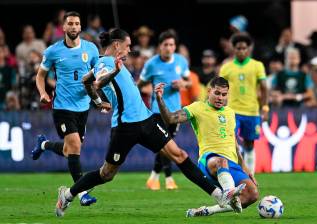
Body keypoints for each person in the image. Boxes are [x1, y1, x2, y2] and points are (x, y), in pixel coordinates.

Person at [55, 28, 244, 217]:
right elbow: (99, 82)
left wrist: (96, 100)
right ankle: (68, 194)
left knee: (179, 155)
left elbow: (87, 81)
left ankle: (219, 195)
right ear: (116, 45)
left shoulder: (117, 63)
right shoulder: (105, 62)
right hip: (125, 127)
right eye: (128, 45)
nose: (129, 50)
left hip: (147, 120)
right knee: (106, 174)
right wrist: (112, 73)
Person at [153, 77, 258, 217]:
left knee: (252, 195)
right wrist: (160, 99)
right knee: (221, 162)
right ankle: (229, 192)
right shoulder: (197, 108)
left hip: (231, 163)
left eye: (224, 94)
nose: (220, 97)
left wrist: (244, 166)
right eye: (217, 93)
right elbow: (170, 119)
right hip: (209, 160)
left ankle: (208, 210)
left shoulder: (230, 113)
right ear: (209, 91)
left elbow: (234, 142)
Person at [32, 11, 105, 206]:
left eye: (77, 24)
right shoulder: (53, 51)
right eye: (70, 24)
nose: (73, 27)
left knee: (69, 150)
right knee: (74, 146)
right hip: (62, 107)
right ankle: (81, 194)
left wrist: (99, 99)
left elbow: (97, 76)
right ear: (63, 27)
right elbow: (40, 76)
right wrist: (42, 92)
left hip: (83, 108)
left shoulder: (90, 49)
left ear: (80, 27)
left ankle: (44, 145)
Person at [138, 29, 191, 190]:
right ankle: (168, 179)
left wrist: (183, 84)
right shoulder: (151, 64)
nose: (169, 48)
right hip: (157, 110)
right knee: (166, 143)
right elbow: (139, 84)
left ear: (175, 46)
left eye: (171, 45)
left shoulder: (181, 61)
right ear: (160, 46)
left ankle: (153, 177)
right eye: (166, 45)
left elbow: (189, 82)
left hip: (175, 113)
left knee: (166, 145)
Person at [219, 33, 269, 174]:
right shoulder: (226, 67)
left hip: (251, 111)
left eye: (244, 48)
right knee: (230, 143)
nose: (241, 51)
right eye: (238, 48)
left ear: (248, 49)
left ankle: (250, 176)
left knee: (249, 144)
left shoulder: (257, 65)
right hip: (231, 112)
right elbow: (219, 87)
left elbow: (264, 88)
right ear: (233, 49)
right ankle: (234, 174)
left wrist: (265, 108)